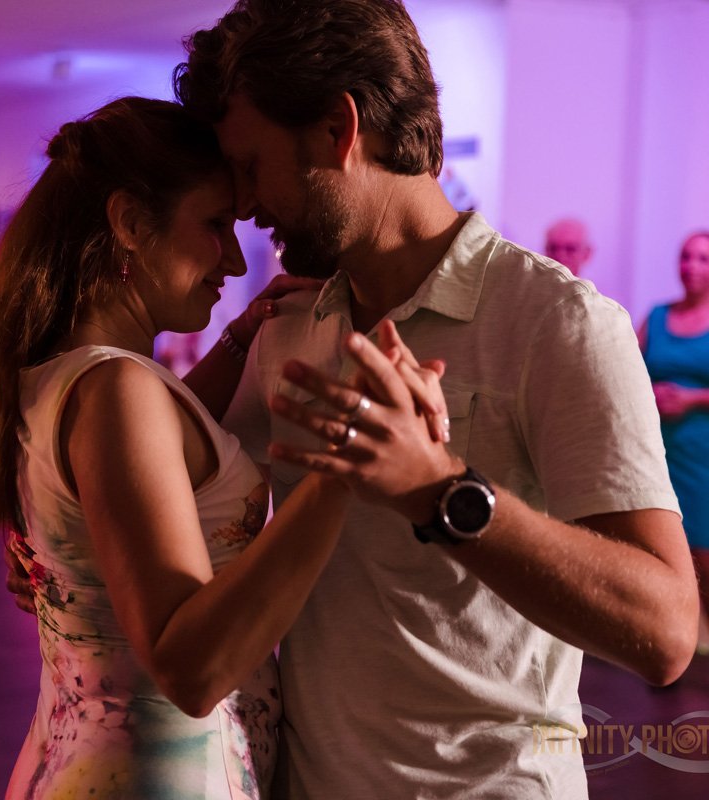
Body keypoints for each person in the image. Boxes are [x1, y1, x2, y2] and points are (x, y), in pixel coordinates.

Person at [167, 1, 699, 797]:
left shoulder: (558, 321)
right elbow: (167, 470)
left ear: (338, 130)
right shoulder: (290, 326)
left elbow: (665, 631)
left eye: (252, 165)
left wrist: (441, 492)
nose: (245, 204)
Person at [0, 96, 445, 799]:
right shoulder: (115, 389)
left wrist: (239, 339)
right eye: (215, 225)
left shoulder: (66, 378)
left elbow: (162, 455)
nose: (236, 258)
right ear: (129, 224)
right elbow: (191, 669)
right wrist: (348, 461)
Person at [639, 231, 709, 654]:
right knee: (663, 542)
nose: (692, 266)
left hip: (702, 452)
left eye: (703, 259)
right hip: (659, 448)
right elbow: (627, 369)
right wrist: (651, 393)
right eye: (686, 257)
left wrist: (692, 398)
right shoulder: (657, 317)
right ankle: (670, 646)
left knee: (704, 550)